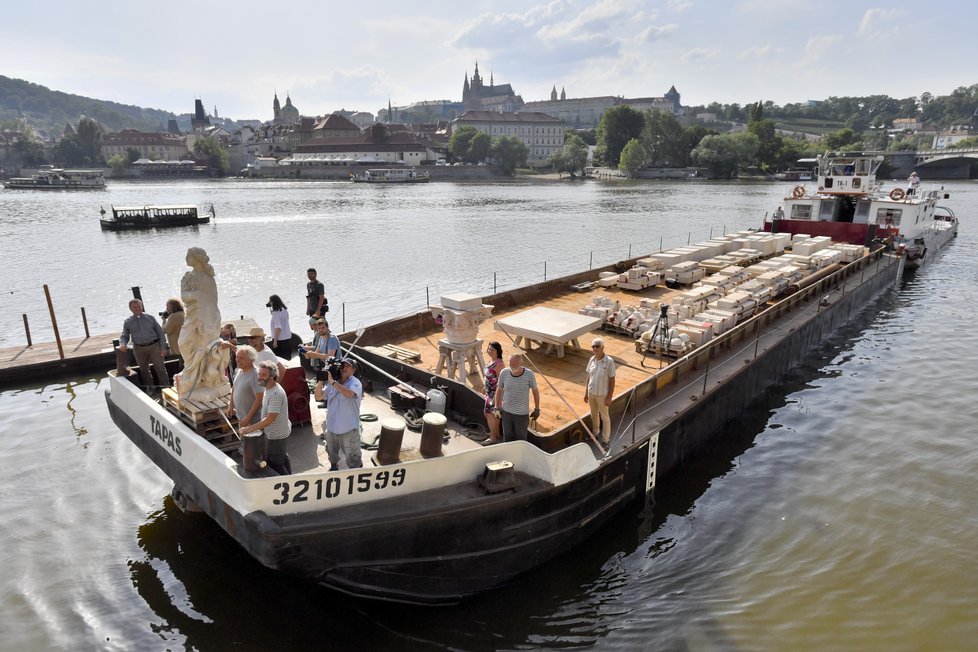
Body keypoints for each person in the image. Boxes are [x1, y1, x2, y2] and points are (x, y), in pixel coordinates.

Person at [178, 248, 223, 392]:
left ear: (196, 258)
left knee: (205, 347)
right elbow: (184, 296)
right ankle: (191, 371)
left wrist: (211, 317)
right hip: (192, 317)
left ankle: (200, 378)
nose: (185, 258)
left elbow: (213, 300)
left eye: (188, 256)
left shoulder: (208, 278)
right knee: (183, 343)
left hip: (207, 317)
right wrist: (194, 295)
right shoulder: (187, 278)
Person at [240, 361, 292, 475]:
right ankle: (290, 479)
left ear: (273, 377)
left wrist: (249, 429)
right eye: (259, 374)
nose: (259, 377)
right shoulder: (269, 388)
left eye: (263, 375)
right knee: (282, 458)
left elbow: (270, 419)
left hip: (276, 436)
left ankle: (288, 487)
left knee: (276, 465)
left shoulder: (275, 394)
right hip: (278, 434)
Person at [118, 299, 170, 391]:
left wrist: (163, 347)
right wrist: (122, 344)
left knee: (161, 369)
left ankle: (166, 389)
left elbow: (161, 333)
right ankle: (150, 389)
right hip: (138, 349)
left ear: (142, 307)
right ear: (130, 309)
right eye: (134, 307)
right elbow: (124, 336)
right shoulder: (127, 322)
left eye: (139, 306)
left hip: (154, 347)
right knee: (144, 371)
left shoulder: (150, 318)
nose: (137, 308)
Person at [323, 358, 363, 471]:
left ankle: (356, 471)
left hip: (348, 429)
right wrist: (321, 380)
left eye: (348, 366)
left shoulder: (355, 383)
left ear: (354, 370)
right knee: (331, 451)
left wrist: (333, 383)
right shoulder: (333, 382)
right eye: (343, 366)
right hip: (331, 427)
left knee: (352, 455)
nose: (344, 368)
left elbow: (349, 394)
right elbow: (318, 396)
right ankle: (334, 466)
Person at [494, 353, 540, 442]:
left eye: (514, 364)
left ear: (520, 363)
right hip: (506, 413)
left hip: (521, 415)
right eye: (510, 364)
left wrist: (537, 409)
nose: (511, 366)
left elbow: (535, 392)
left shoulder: (529, 374)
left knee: (521, 439)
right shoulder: (504, 372)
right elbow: (499, 390)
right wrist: (496, 406)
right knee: (507, 437)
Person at [584, 337, 616, 445]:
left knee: (605, 417)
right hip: (592, 393)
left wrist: (609, 397)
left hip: (602, 395)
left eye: (597, 346)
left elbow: (612, 380)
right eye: (593, 346)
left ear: (602, 348)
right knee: (594, 414)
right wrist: (586, 393)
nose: (595, 348)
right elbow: (589, 377)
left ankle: (605, 440)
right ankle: (595, 434)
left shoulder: (609, 362)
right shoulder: (591, 360)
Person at [304, 319, 340, 408]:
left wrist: (314, 354)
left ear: (327, 327)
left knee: (333, 387)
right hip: (326, 366)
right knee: (326, 386)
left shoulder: (332, 339)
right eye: (319, 328)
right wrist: (308, 354)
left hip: (336, 367)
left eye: (323, 327)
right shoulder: (321, 339)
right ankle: (327, 402)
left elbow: (330, 356)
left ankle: (333, 404)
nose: (321, 330)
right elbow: (317, 352)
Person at [228, 344, 263, 428]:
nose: (237, 360)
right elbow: (234, 388)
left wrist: (248, 418)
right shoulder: (239, 371)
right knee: (243, 440)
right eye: (237, 357)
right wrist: (231, 405)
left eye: (241, 358)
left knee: (252, 441)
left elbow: (259, 399)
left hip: (253, 421)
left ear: (251, 360)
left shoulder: (255, 375)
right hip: (241, 417)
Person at [481, 341, 505, 446]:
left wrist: (496, 396)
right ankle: (496, 434)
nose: (490, 351)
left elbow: (501, 381)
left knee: (488, 413)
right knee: (495, 415)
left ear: (498, 351)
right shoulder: (491, 361)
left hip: (494, 393)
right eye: (489, 349)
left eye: (492, 349)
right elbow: (489, 377)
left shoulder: (499, 364)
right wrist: (485, 386)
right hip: (489, 392)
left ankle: (492, 437)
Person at [267, 294, 293, 360]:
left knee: (279, 358)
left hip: (280, 339)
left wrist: (275, 340)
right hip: (287, 336)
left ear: (273, 302)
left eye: (270, 301)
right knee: (287, 357)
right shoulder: (284, 309)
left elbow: (278, 327)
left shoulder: (276, 313)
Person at [161, 297, 185, 366]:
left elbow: (164, 330)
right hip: (185, 343)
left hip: (179, 345)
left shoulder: (174, 316)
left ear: (173, 306)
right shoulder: (183, 313)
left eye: (168, 306)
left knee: (182, 365)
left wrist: (164, 320)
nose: (166, 309)